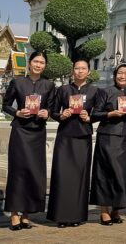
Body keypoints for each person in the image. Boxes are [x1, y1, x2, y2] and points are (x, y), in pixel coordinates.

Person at [2, 51, 54, 231]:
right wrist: (17, 112)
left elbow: (52, 109)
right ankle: (14, 214)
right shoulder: (17, 82)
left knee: (34, 173)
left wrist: (47, 113)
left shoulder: (49, 85)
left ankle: (26, 215)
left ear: (45, 66)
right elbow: (5, 105)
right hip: (20, 131)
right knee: (18, 172)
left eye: (42, 62)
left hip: (38, 132)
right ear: (29, 63)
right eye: (36, 61)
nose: (38, 65)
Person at [47, 59, 101, 227]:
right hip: (65, 136)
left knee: (80, 177)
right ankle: (60, 216)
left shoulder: (95, 91)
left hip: (83, 137)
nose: (79, 71)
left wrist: (89, 117)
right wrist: (62, 116)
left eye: (83, 68)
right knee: (62, 176)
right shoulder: (63, 90)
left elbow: (99, 113)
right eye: (77, 68)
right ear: (72, 71)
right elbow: (53, 112)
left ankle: (77, 215)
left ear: (89, 72)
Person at [90, 62, 126, 225]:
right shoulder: (105, 92)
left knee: (122, 175)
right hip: (107, 137)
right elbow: (95, 115)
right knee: (105, 174)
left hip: (125, 138)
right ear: (115, 74)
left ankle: (116, 210)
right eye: (120, 72)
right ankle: (104, 211)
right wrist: (110, 113)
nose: (123, 76)